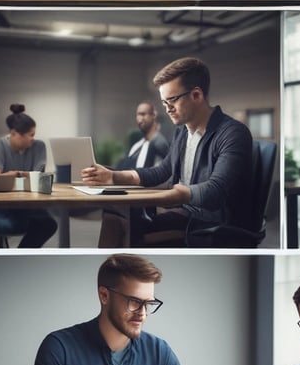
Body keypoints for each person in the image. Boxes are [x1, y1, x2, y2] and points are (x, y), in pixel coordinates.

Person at [81, 57, 253, 247]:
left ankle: (129, 265)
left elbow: (216, 191)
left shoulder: (232, 133)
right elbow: (163, 171)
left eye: (171, 101)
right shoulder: (183, 131)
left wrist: (175, 195)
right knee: (115, 213)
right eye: (164, 103)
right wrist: (114, 176)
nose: (167, 109)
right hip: (188, 214)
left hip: (213, 224)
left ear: (196, 95)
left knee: (130, 228)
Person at [26, 253, 207, 365]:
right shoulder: (59, 347)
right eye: (134, 302)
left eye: (149, 303)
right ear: (104, 295)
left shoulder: (159, 351)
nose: (143, 313)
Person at [0, 104, 57, 248]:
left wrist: (16, 174)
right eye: (30, 135)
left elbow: (40, 178)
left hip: (27, 205)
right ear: (14, 133)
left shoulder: (39, 146)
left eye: (34, 135)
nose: (33, 139)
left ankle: (20, 256)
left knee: (48, 224)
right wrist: (26, 176)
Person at [116, 101, 170, 170]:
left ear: (153, 115)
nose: (140, 119)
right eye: (138, 115)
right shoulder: (137, 143)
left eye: (143, 114)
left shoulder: (160, 143)